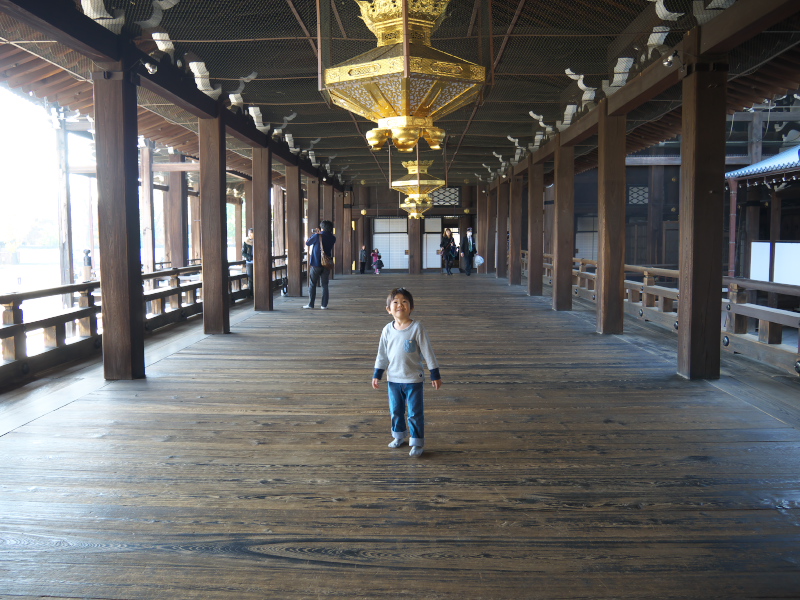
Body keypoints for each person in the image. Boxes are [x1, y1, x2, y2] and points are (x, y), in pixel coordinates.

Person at [372, 288, 442, 458]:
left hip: (413, 379)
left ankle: (417, 441)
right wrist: (377, 373)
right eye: (395, 302)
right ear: (389, 309)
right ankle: (398, 435)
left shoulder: (417, 328)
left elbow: (427, 351)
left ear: (411, 307)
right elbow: (382, 354)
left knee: (415, 413)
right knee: (395, 410)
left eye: (404, 302)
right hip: (393, 378)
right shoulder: (387, 330)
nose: (400, 305)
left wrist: (435, 373)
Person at [303, 220, 336, 309]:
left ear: (322, 228)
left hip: (316, 263)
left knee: (313, 283)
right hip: (326, 264)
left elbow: (308, 243)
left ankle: (311, 304)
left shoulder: (318, 235)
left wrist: (316, 233)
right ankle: (324, 305)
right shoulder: (333, 238)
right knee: (325, 285)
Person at [242, 228, 254, 296]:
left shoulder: (257, 241)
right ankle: (251, 293)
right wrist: (249, 257)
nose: (249, 234)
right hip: (249, 262)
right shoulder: (246, 242)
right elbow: (243, 253)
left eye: (251, 233)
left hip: (257, 262)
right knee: (250, 278)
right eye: (249, 233)